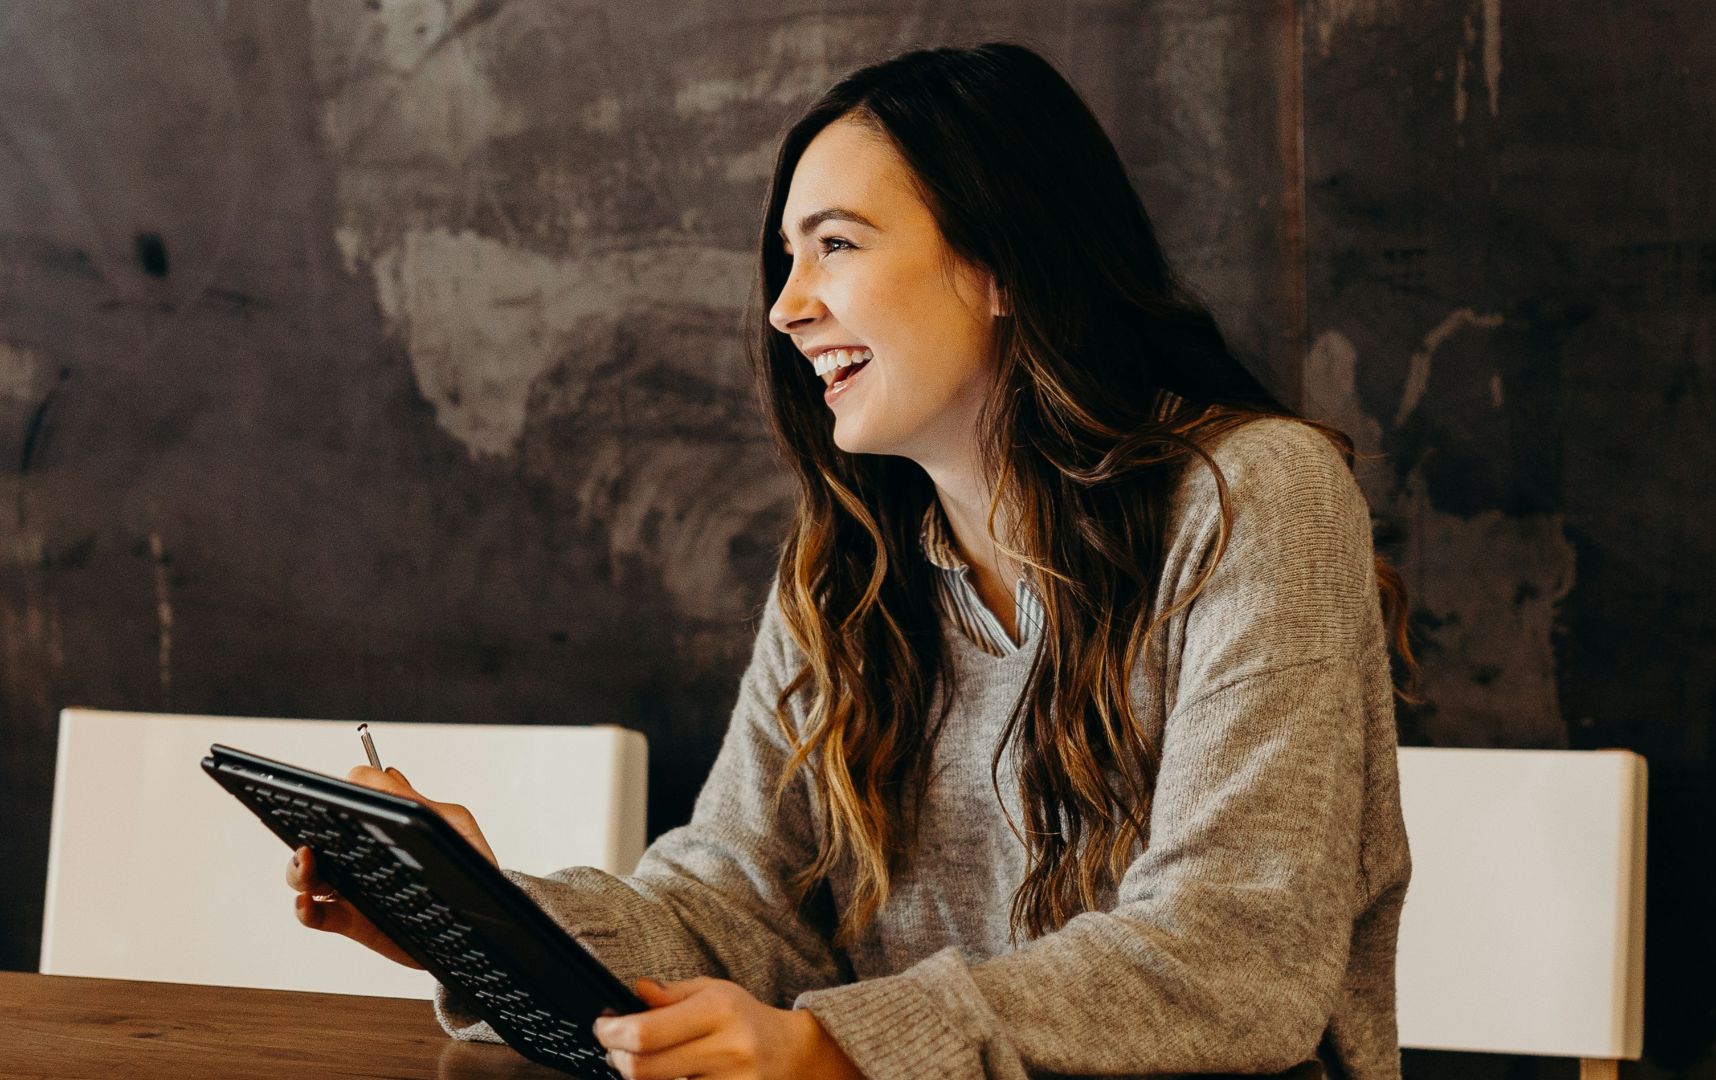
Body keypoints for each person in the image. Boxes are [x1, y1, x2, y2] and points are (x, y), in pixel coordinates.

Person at [286, 41, 1417, 1080]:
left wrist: (834, 1047)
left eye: (835, 243)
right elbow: (734, 907)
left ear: (1000, 263)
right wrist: (486, 921)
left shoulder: (1253, 496)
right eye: (788, 257)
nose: (785, 307)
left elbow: (1234, 959)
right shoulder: (850, 566)